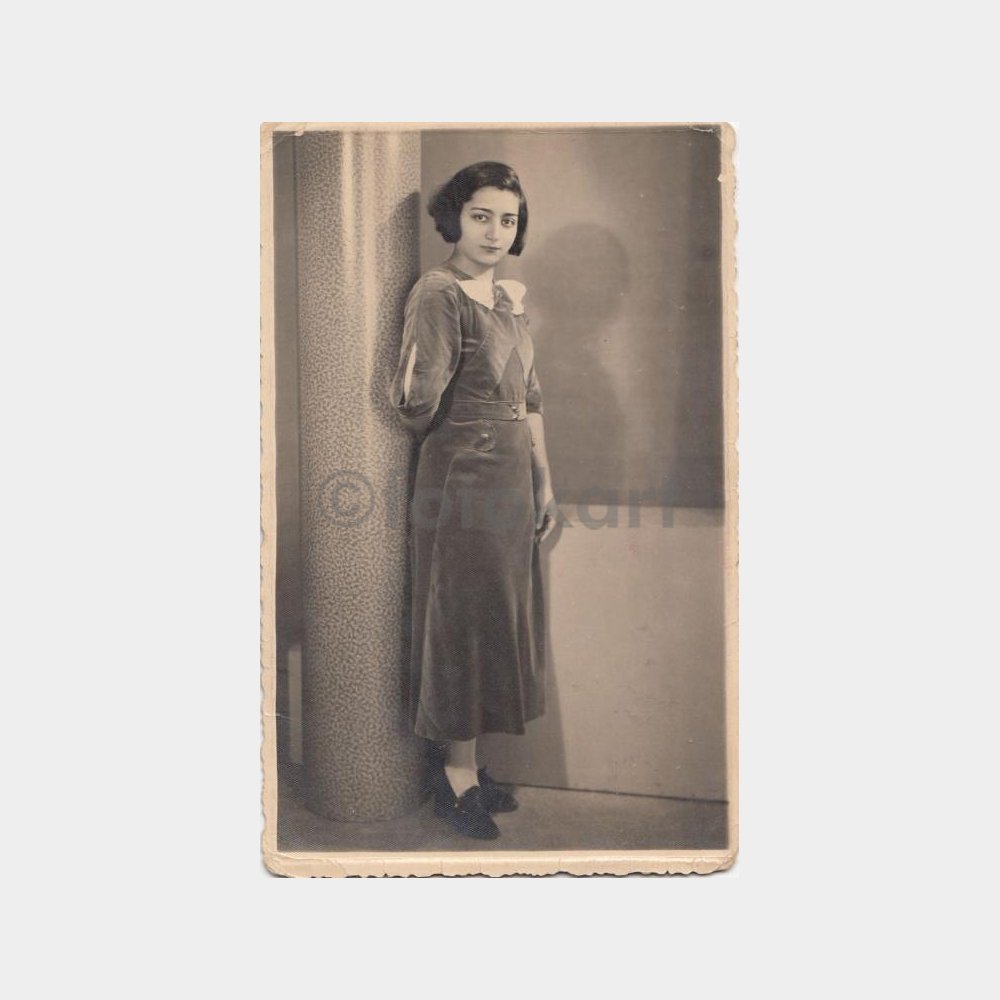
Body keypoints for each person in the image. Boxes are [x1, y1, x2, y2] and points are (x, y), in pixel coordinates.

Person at [388, 161, 557, 839]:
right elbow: (413, 401)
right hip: (461, 478)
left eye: (508, 220)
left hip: (512, 479)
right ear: (455, 216)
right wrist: (468, 433)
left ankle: (467, 765)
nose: (494, 231)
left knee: (492, 618)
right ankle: (455, 777)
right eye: (481, 216)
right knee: (461, 620)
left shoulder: (507, 297)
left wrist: (545, 480)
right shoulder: (438, 293)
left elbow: (531, 397)